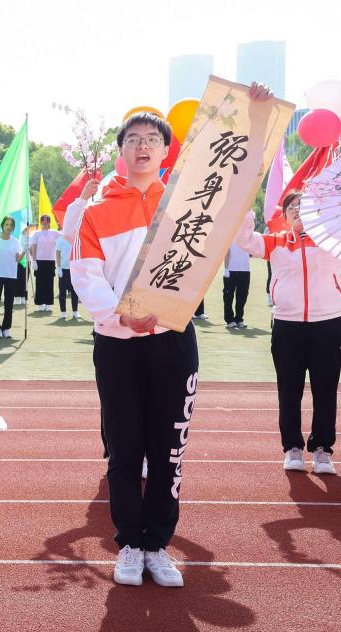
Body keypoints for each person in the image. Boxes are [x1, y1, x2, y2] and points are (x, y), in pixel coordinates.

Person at [70, 96, 280, 589]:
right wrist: (122, 314)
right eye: (133, 140)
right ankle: (130, 542)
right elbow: (86, 275)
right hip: (117, 342)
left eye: (152, 140)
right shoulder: (94, 212)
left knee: (168, 450)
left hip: (173, 338)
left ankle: (157, 544)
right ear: (121, 149)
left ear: (168, 150)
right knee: (125, 449)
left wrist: (254, 115)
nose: (142, 147)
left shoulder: (190, 200)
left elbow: (237, 187)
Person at [235, 193, 340, 475]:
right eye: (291, 207)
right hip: (287, 326)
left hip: (328, 323)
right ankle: (292, 447)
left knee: (325, 390)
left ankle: (322, 450)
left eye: (303, 206)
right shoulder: (276, 242)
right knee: (289, 390)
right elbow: (244, 240)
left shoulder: (333, 239)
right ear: (284, 216)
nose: (297, 210)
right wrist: (245, 208)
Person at [0, 216, 23, 339]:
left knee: (9, 303)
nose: (9, 227)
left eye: (11, 225)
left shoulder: (16, 241)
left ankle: (6, 328)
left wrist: (25, 251)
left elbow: (17, 259)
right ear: (2, 226)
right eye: (7, 224)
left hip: (11, 275)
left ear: (13, 228)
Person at [28, 214, 61, 314]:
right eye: (43, 221)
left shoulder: (54, 233)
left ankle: (48, 304)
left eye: (47, 221)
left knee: (49, 283)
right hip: (39, 261)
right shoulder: (36, 234)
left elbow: (65, 237)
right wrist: (34, 260)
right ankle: (39, 304)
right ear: (41, 222)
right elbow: (33, 247)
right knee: (39, 283)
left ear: (49, 222)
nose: (45, 223)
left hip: (50, 261)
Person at [222, 241, 252, 329]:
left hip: (245, 270)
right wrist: (226, 269)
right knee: (228, 296)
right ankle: (229, 319)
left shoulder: (247, 237)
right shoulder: (230, 236)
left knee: (242, 296)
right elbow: (226, 252)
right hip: (231, 269)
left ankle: (239, 319)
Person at [55, 231, 78, 320]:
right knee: (62, 292)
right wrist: (58, 267)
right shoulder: (60, 239)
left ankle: (75, 311)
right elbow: (57, 254)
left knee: (74, 292)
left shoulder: (75, 239)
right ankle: (63, 312)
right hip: (63, 269)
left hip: (74, 269)